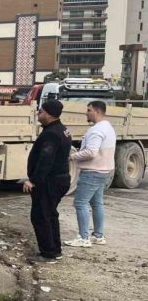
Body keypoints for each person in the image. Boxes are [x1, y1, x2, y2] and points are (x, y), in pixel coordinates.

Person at [24, 99, 72, 263]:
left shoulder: (51, 133)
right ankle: (54, 250)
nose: (38, 113)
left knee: (41, 216)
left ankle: (48, 253)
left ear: (50, 114)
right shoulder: (62, 129)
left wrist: (33, 180)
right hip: (59, 179)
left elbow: (46, 160)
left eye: (41, 111)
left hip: (50, 182)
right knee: (50, 214)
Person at [65, 100, 116, 248]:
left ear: (97, 111)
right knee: (97, 203)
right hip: (104, 170)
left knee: (80, 203)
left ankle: (83, 237)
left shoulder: (96, 130)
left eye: (89, 110)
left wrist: (72, 156)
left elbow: (91, 152)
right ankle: (98, 236)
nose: (86, 113)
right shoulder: (108, 127)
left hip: (92, 171)